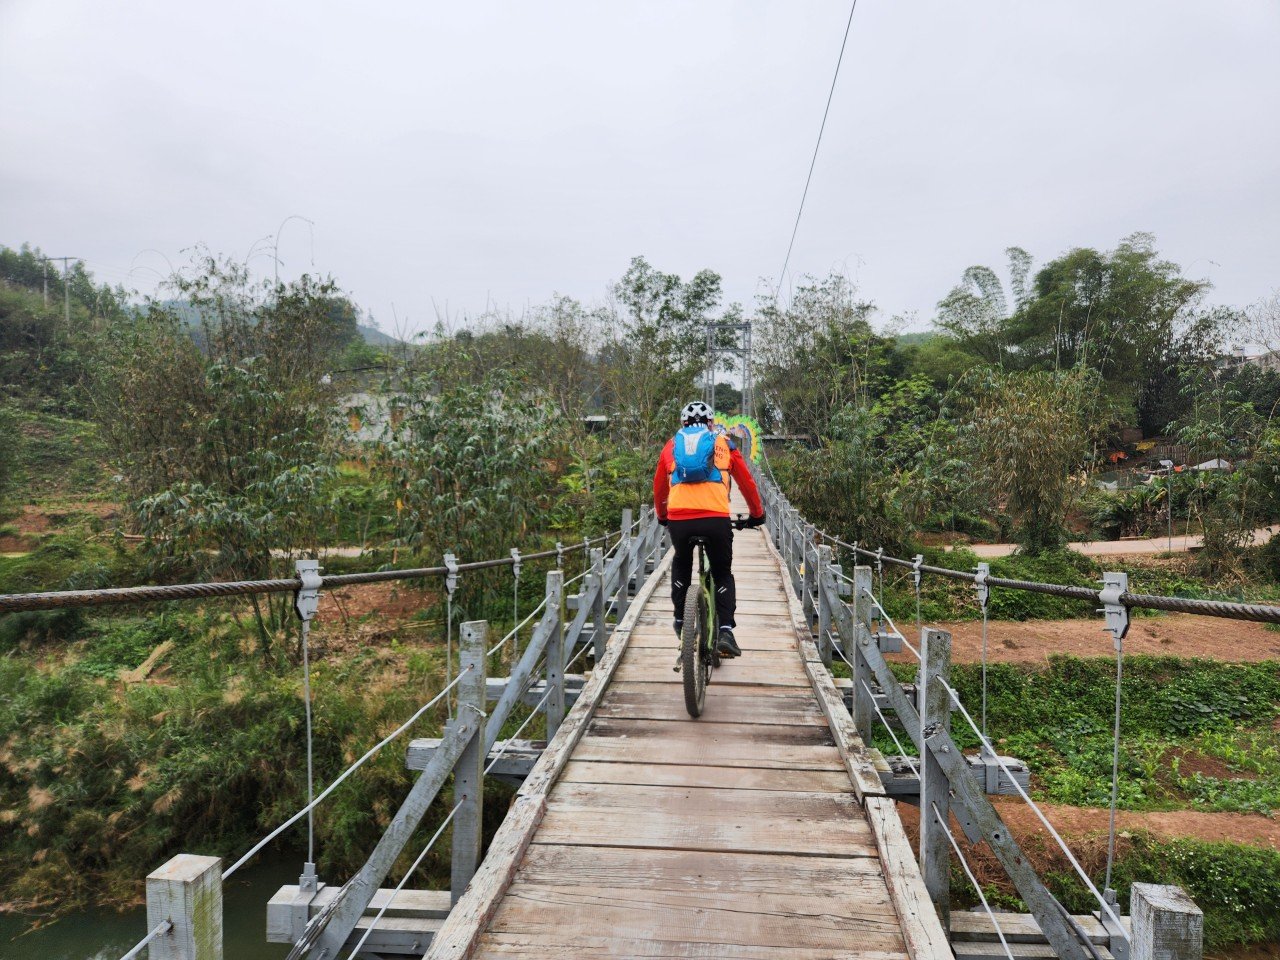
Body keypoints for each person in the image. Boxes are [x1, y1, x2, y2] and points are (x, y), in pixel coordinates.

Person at [653, 400, 766, 658]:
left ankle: (682, 622)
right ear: (711, 423)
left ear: (683, 424)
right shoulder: (724, 444)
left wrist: (663, 516)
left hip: (679, 519)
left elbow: (659, 487)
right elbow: (747, 483)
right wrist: (756, 515)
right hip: (715, 518)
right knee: (722, 572)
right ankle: (725, 631)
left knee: (682, 562)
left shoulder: (671, 447)